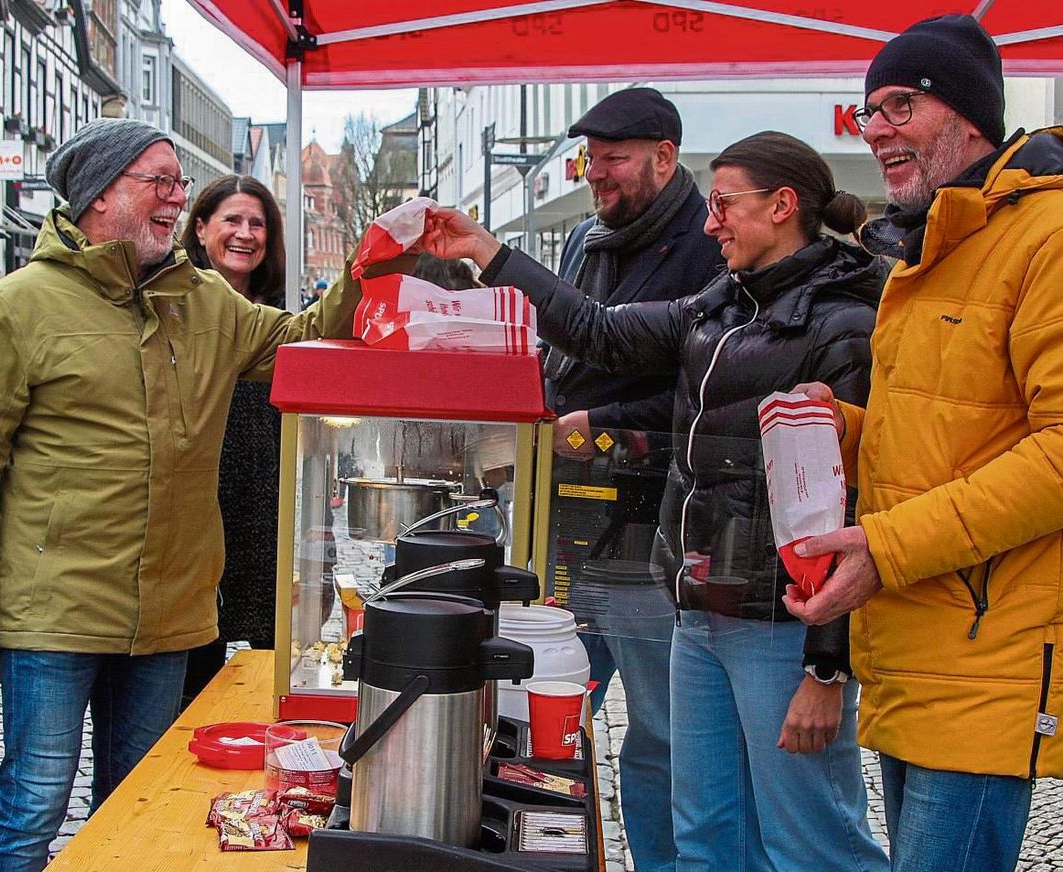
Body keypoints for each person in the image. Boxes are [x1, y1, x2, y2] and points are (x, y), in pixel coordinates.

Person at [419, 130, 889, 871]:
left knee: (808, 842)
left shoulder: (843, 324)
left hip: (781, 626)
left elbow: (856, 504)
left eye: (725, 205)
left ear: (783, 206)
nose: (711, 223)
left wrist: (826, 670)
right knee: (702, 833)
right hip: (698, 610)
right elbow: (598, 331)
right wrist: (488, 251)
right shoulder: (719, 305)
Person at [0, 118, 362, 872]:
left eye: (177, 184)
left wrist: (374, 258)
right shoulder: (18, 305)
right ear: (98, 197)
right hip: (54, 609)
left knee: (137, 798)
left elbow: (308, 333)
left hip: (169, 614)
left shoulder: (206, 302)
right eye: (157, 180)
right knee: (31, 804)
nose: (174, 197)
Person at [784, 15, 1063, 872]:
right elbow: (951, 432)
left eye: (901, 104)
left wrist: (889, 547)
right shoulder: (932, 245)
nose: (876, 130)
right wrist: (844, 425)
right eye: (868, 111)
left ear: (970, 113)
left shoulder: (1046, 237)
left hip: (986, 656)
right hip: (914, 646)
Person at [457, 88, 722, 871]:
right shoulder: (582, 239)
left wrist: (599, 427)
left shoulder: (709, 248)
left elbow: (691, 383)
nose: (595, 173)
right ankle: (538, 853)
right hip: (560, 525)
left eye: (612, 158)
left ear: (664, 158)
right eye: (590, 158)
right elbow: (567, 354)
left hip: (649, 532)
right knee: (537, 716)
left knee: (662, 736)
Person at [178, 174, 285, 707]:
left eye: (257, 223)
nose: (246, 233)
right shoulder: (172, 306)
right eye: (232, 220)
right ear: (200, 229)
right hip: (199, 503)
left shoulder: (284, 314)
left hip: (267, 504)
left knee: (273, 658)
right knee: (195, 657)